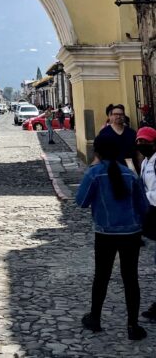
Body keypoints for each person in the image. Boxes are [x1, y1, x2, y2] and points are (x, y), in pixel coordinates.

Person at [76, 134, 148, 340]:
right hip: (131, 233)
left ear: (96, 151)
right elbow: (142, 207)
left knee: (102, 276)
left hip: (105, 233)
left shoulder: (94, 174)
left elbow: (81, 201)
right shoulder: (130, 175)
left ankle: (95, 318)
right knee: (131, 278)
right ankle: (133, 325)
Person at [136, 126, 156, 322]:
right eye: (139, 141)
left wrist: (143, 198)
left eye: (146, 141)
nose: (142, 144)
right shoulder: (145, 162)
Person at [98, 104, 138, 172]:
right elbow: (99, 153)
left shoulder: (132, 133)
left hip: (130, 169)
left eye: (121, 114)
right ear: (111, 116)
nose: (119, 116)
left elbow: (138, 153)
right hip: (111, 169)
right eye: (116, 114)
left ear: (124, 116)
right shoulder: (104, 133)